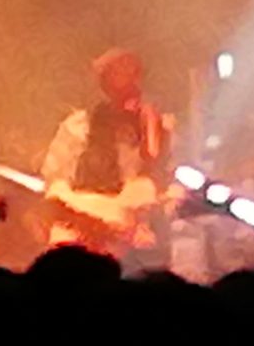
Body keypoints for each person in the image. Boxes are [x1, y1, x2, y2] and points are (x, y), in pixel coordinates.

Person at [38, 47, 175, 257]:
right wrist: (83, 216)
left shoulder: (159, 126)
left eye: (131, 73)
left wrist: (135, 211)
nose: (125, 81)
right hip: (80, 219)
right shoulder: (79, 126)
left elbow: (165, 181)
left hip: (133, 229)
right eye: (116, 72)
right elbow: (56, 180)